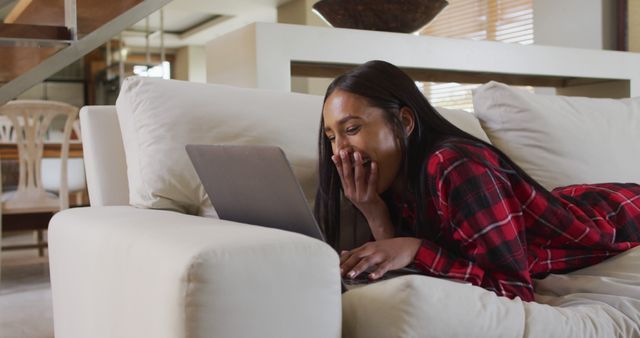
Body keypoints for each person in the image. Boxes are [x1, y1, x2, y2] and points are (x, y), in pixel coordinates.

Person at [314, 60, 640, 301]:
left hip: (622, 214)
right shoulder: (394, 185)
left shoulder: (454, 165)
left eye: (352, 129)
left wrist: (417, 249)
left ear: (405, 121)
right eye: (331, 136)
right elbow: (400, 267)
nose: (340, 150)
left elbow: (515, 290)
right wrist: (373, 211)